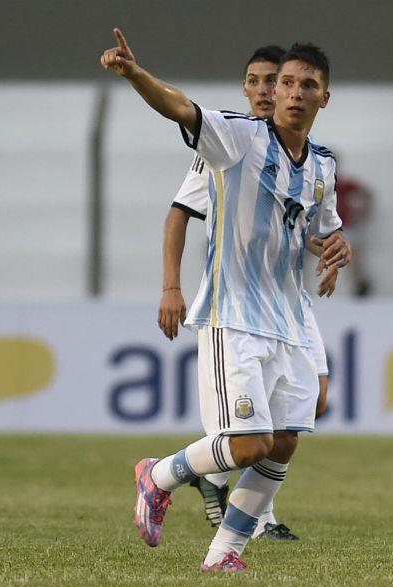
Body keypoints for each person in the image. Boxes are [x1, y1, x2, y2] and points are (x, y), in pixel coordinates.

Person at [101, 29, 349, 571]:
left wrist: (337, 246)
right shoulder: (236, 138)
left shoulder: (323, 166)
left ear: (324, 98)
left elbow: (320, 227)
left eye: (308, 85)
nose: (295, 93)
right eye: (287, 83)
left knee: (283, 442)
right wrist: (137, 75)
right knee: (248, 445)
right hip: (233, 314)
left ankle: (223, 555)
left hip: (289, 320)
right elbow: (180, 108)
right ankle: (158, 474)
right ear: (274, 91)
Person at [158, 45, 343, 540]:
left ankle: (228, 494)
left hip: (290, 300)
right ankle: (250, 512)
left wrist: (332, 248)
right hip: (240, 303)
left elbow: (305, 224)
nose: (267, 90)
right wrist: (172, 286)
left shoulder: (317, 162)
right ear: (250, 89)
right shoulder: (227, 144)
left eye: (275, 80)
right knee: (254, 436)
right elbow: (180, 213)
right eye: (259, 81)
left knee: (308, 408)